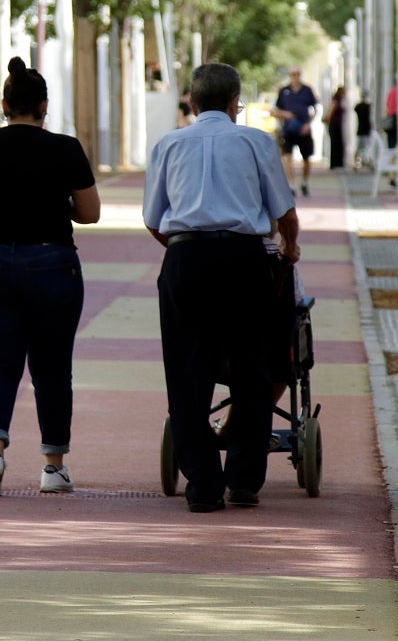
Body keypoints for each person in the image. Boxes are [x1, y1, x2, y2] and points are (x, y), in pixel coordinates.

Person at [143, 62, 301, 513]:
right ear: (236, 104)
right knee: (251, 366)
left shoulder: (168, 144)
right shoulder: (255, 142)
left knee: (187, 370)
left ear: (192, 103)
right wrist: (289, 248)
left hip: (185, 260)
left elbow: (154, 220)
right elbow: (283, 210)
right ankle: (245, 480)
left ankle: (203, 487)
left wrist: (183, 248)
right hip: (243, 260)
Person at [0, 56, 101, 496]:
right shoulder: (66, 148)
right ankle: (53, 468)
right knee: (52, 368)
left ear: (4, 105)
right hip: (53, 263)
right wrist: (56, 208)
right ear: (44, 106)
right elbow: (89, 213)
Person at [271, 67, 318, 195]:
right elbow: (276, 111)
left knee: (307, 158)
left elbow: (314, 109)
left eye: (297, 74)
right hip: (288, 129)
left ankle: (304, 182)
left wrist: (308, 124)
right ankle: (291, 185)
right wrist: (285, 115)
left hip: (303, 129)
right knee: (287, 157)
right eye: (292, 74)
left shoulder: (307, 90)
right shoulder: (284, 91)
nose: (295, 77)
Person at [325, 86, 347, 170]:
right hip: (334, 124)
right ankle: (335, 163)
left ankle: (338, 162)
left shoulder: (340, 100)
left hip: (338, 124)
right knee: (335, 143)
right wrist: (328, 119)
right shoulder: (336, 100)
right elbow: (331, 110)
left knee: (338, 144)